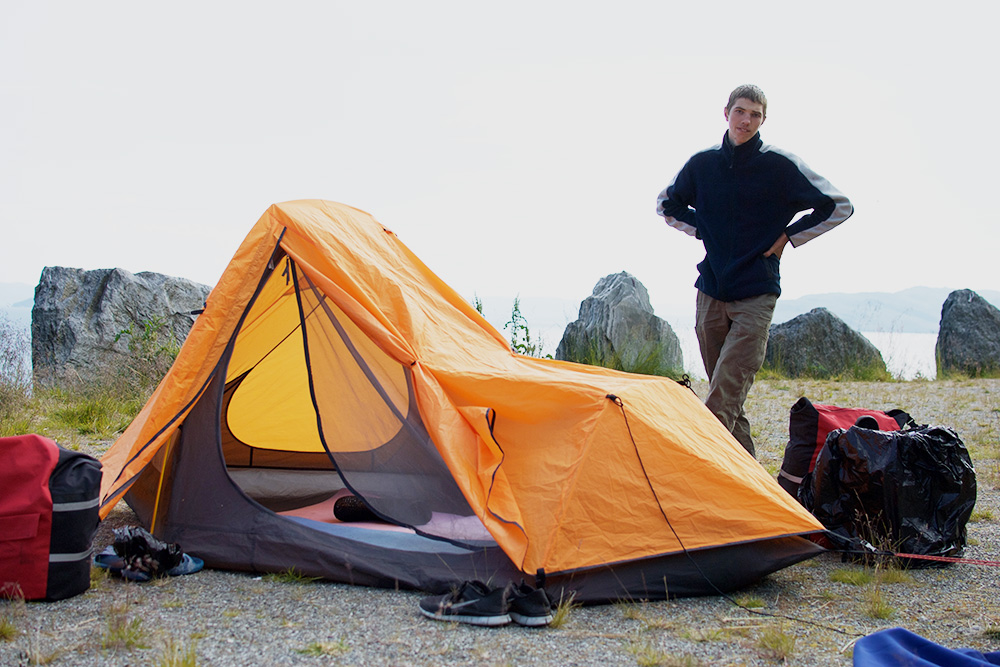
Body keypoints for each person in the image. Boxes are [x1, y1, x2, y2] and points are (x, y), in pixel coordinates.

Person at [656, 84, 853, 456]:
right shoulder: (703, 165)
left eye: (755, 114)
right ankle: (751, 488)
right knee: (727, 398)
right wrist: (704, 230)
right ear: (726, 112)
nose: (746, 120)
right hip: (710, 292)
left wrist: (789, 237)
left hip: (756, 292)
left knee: (721, 399)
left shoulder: (780, 165)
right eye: (740, 111)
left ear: (763, 119)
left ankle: (688, 471)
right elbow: (668, 204)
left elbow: (838, 206)